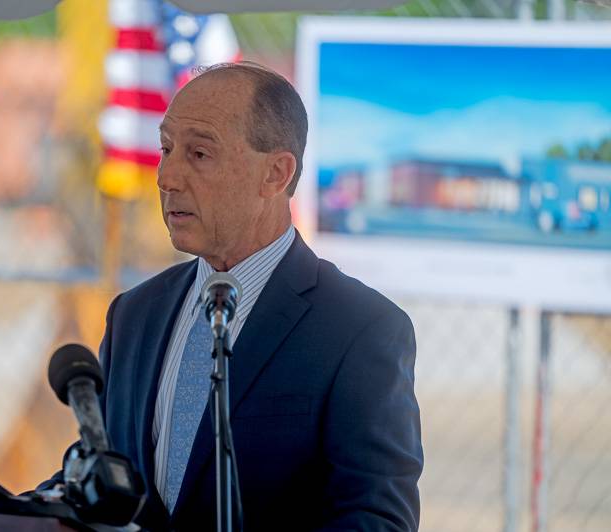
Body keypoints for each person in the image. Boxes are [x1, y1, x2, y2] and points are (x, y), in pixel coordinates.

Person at [44, 62, 423, 531]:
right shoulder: (135, 314)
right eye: (166, 148)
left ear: (276, 174)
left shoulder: (361, 330)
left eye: (199, 154)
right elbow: (103, 474)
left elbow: (378, 518)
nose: (167, 177)